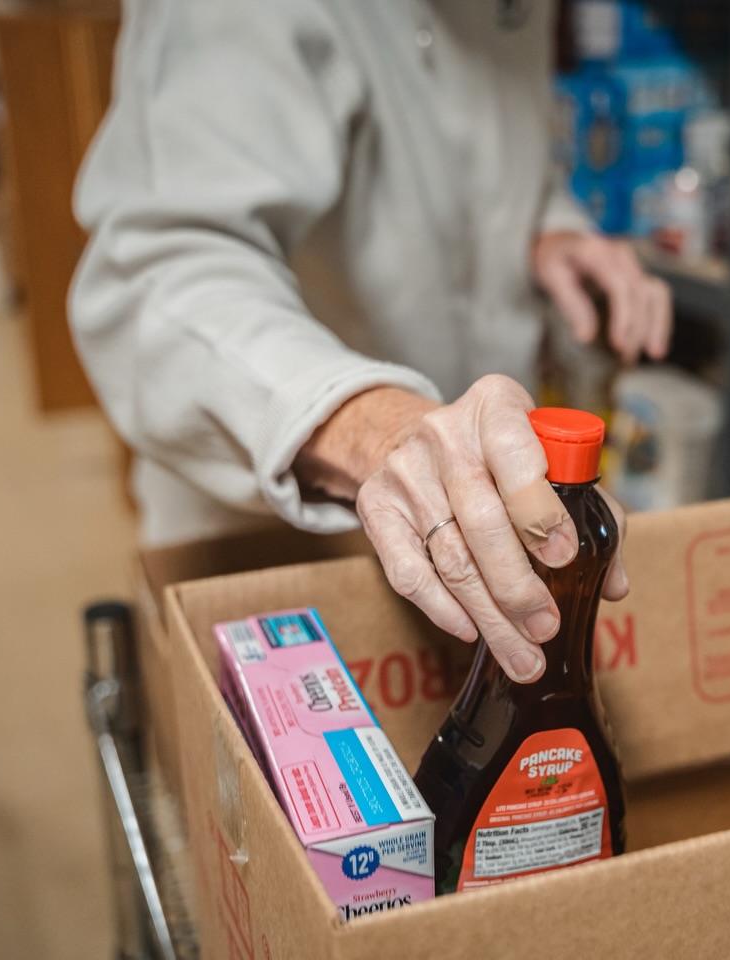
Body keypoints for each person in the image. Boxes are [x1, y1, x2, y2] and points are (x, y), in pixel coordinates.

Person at [69, 0, 673, 684]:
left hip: (472, 534)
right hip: (272, 524)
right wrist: (373, 429)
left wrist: (545, 224)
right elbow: (161, 270)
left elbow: (483, 148)